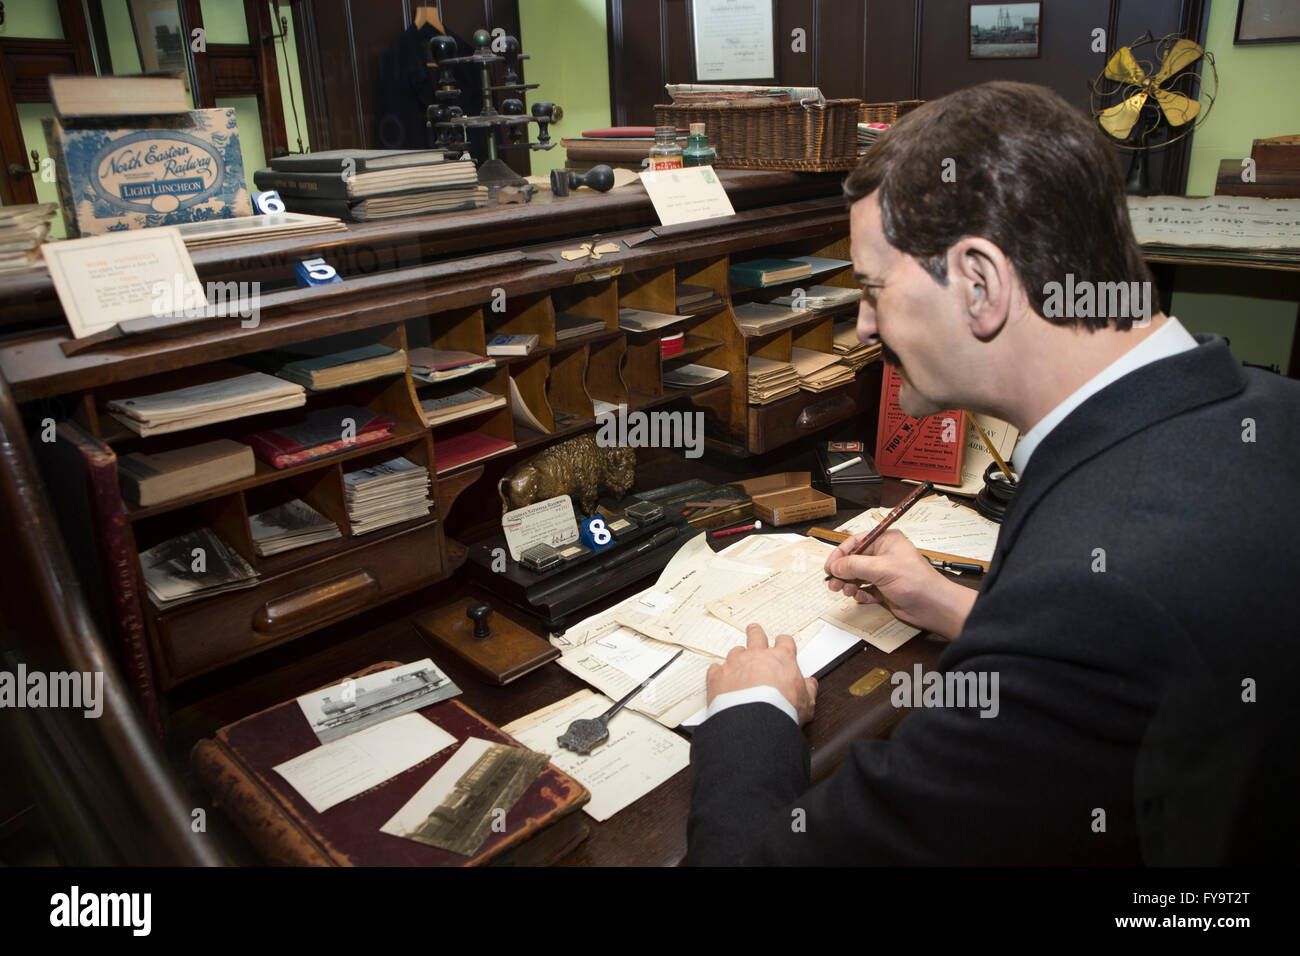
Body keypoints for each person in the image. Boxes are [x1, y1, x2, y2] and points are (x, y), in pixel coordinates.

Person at [687, 81, 1300, 865]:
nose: (865, 323)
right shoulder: (1270, 409)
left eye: (872, 289)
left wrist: (752, 705)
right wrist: (952, 605)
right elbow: (1156, 673)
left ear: (980, 283)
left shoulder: (1091, 593)